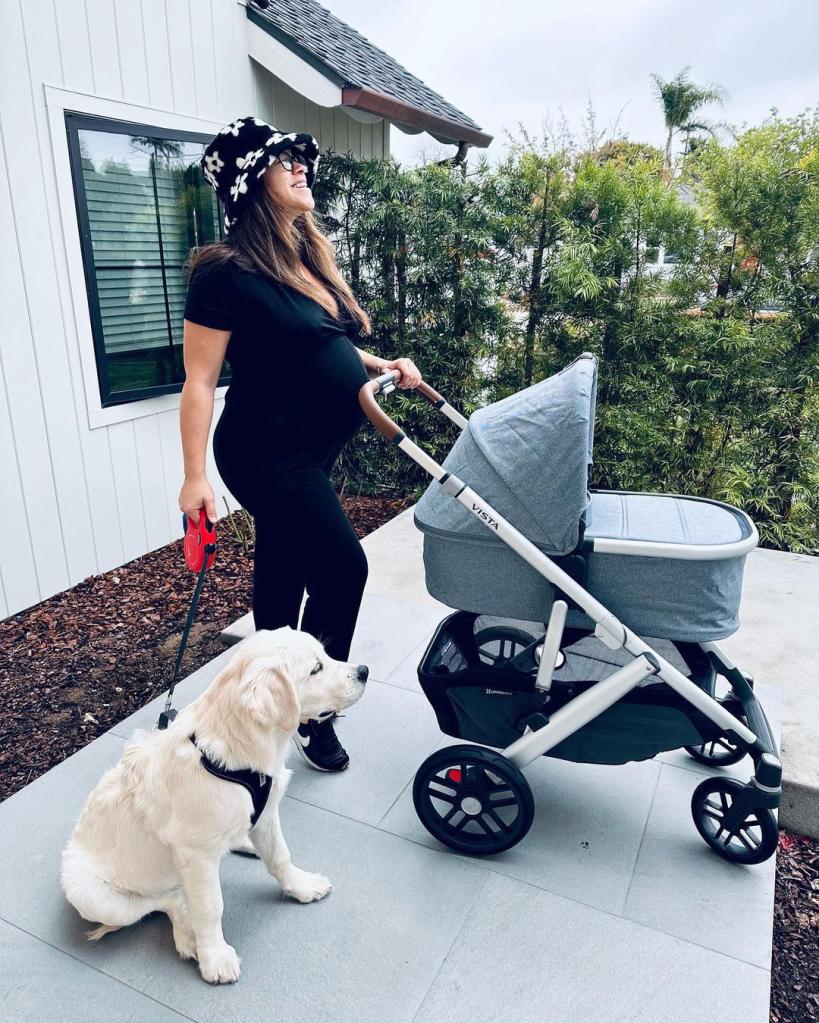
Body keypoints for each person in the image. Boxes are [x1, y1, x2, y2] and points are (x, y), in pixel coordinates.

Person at [178, 115, 422, 772]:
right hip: (263, 452)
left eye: (299, 157)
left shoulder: (302, 255)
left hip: (308, 449)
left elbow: (322, 342)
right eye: (283, 159)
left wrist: (379, 365)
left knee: (284, 570)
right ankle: (315, 709)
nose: (299, 166)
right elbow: (199, 381)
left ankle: (259, 703)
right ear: (250, 181)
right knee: (345, 567)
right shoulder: (223, 272)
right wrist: (193, 477)